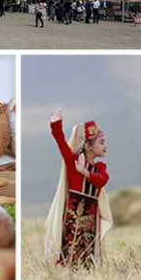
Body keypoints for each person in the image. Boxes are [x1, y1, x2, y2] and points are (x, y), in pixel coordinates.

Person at [45, 108, 112, 269]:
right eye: (101, 142)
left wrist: (85, 172)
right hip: (73, 212)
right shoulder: (73, 162)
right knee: (71, 240)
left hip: (92, 212)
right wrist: (56, 124)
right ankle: (67, 266)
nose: (106, 146)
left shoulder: (101, 167)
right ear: (88, 147)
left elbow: (102, 181)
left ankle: (88, 266)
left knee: (90, 240)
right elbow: (61, 143)